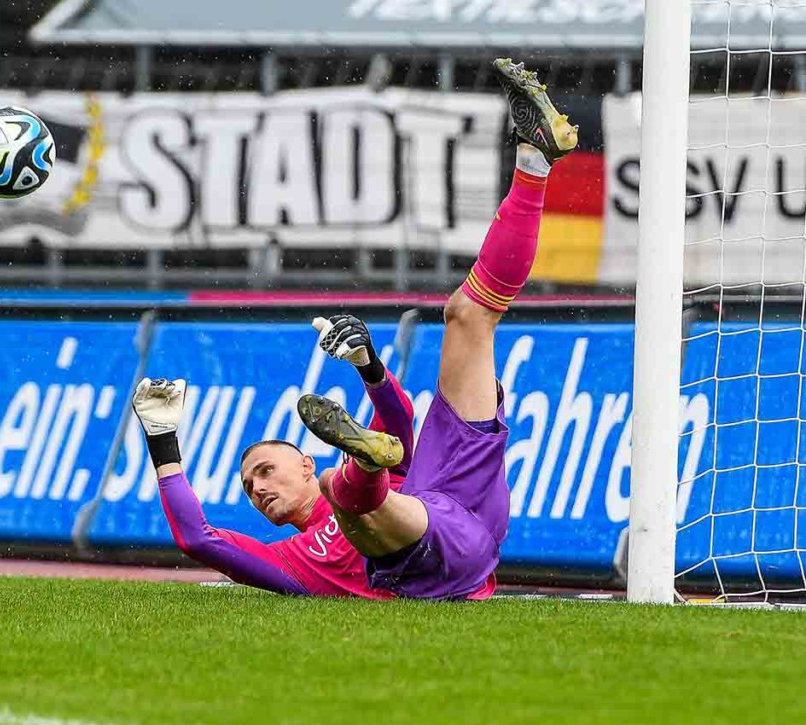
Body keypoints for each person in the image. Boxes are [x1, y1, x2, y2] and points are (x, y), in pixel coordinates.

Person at [130, 58, 579, 601]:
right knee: (350, 496)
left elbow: (399, 418)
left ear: (303, 459)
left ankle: (534, 158)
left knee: (466, 316)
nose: (260, 489)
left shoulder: (311, 534)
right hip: (437, 543)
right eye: (251, 488)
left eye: (267, 472)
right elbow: (197, 539)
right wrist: (162, 442)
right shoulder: (289, 562)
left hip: (448, 491)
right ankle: (366, 467)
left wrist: (369, 366)